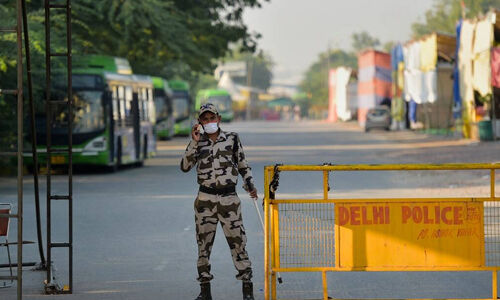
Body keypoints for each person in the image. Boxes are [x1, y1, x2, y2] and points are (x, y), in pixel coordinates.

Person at [181, 103, 257, 300]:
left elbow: (243, 164)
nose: (209, 122)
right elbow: (185, 166)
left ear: (219, 119)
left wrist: (249, 184)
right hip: (205, 199)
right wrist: (194, 142)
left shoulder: (232, 139)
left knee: (239, 242)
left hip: (229, 199)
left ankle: (247, 289)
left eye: (211, 118)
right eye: (204, 119)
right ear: (199, 123)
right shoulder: (198, 142)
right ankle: (205, 291)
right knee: (203, 245)